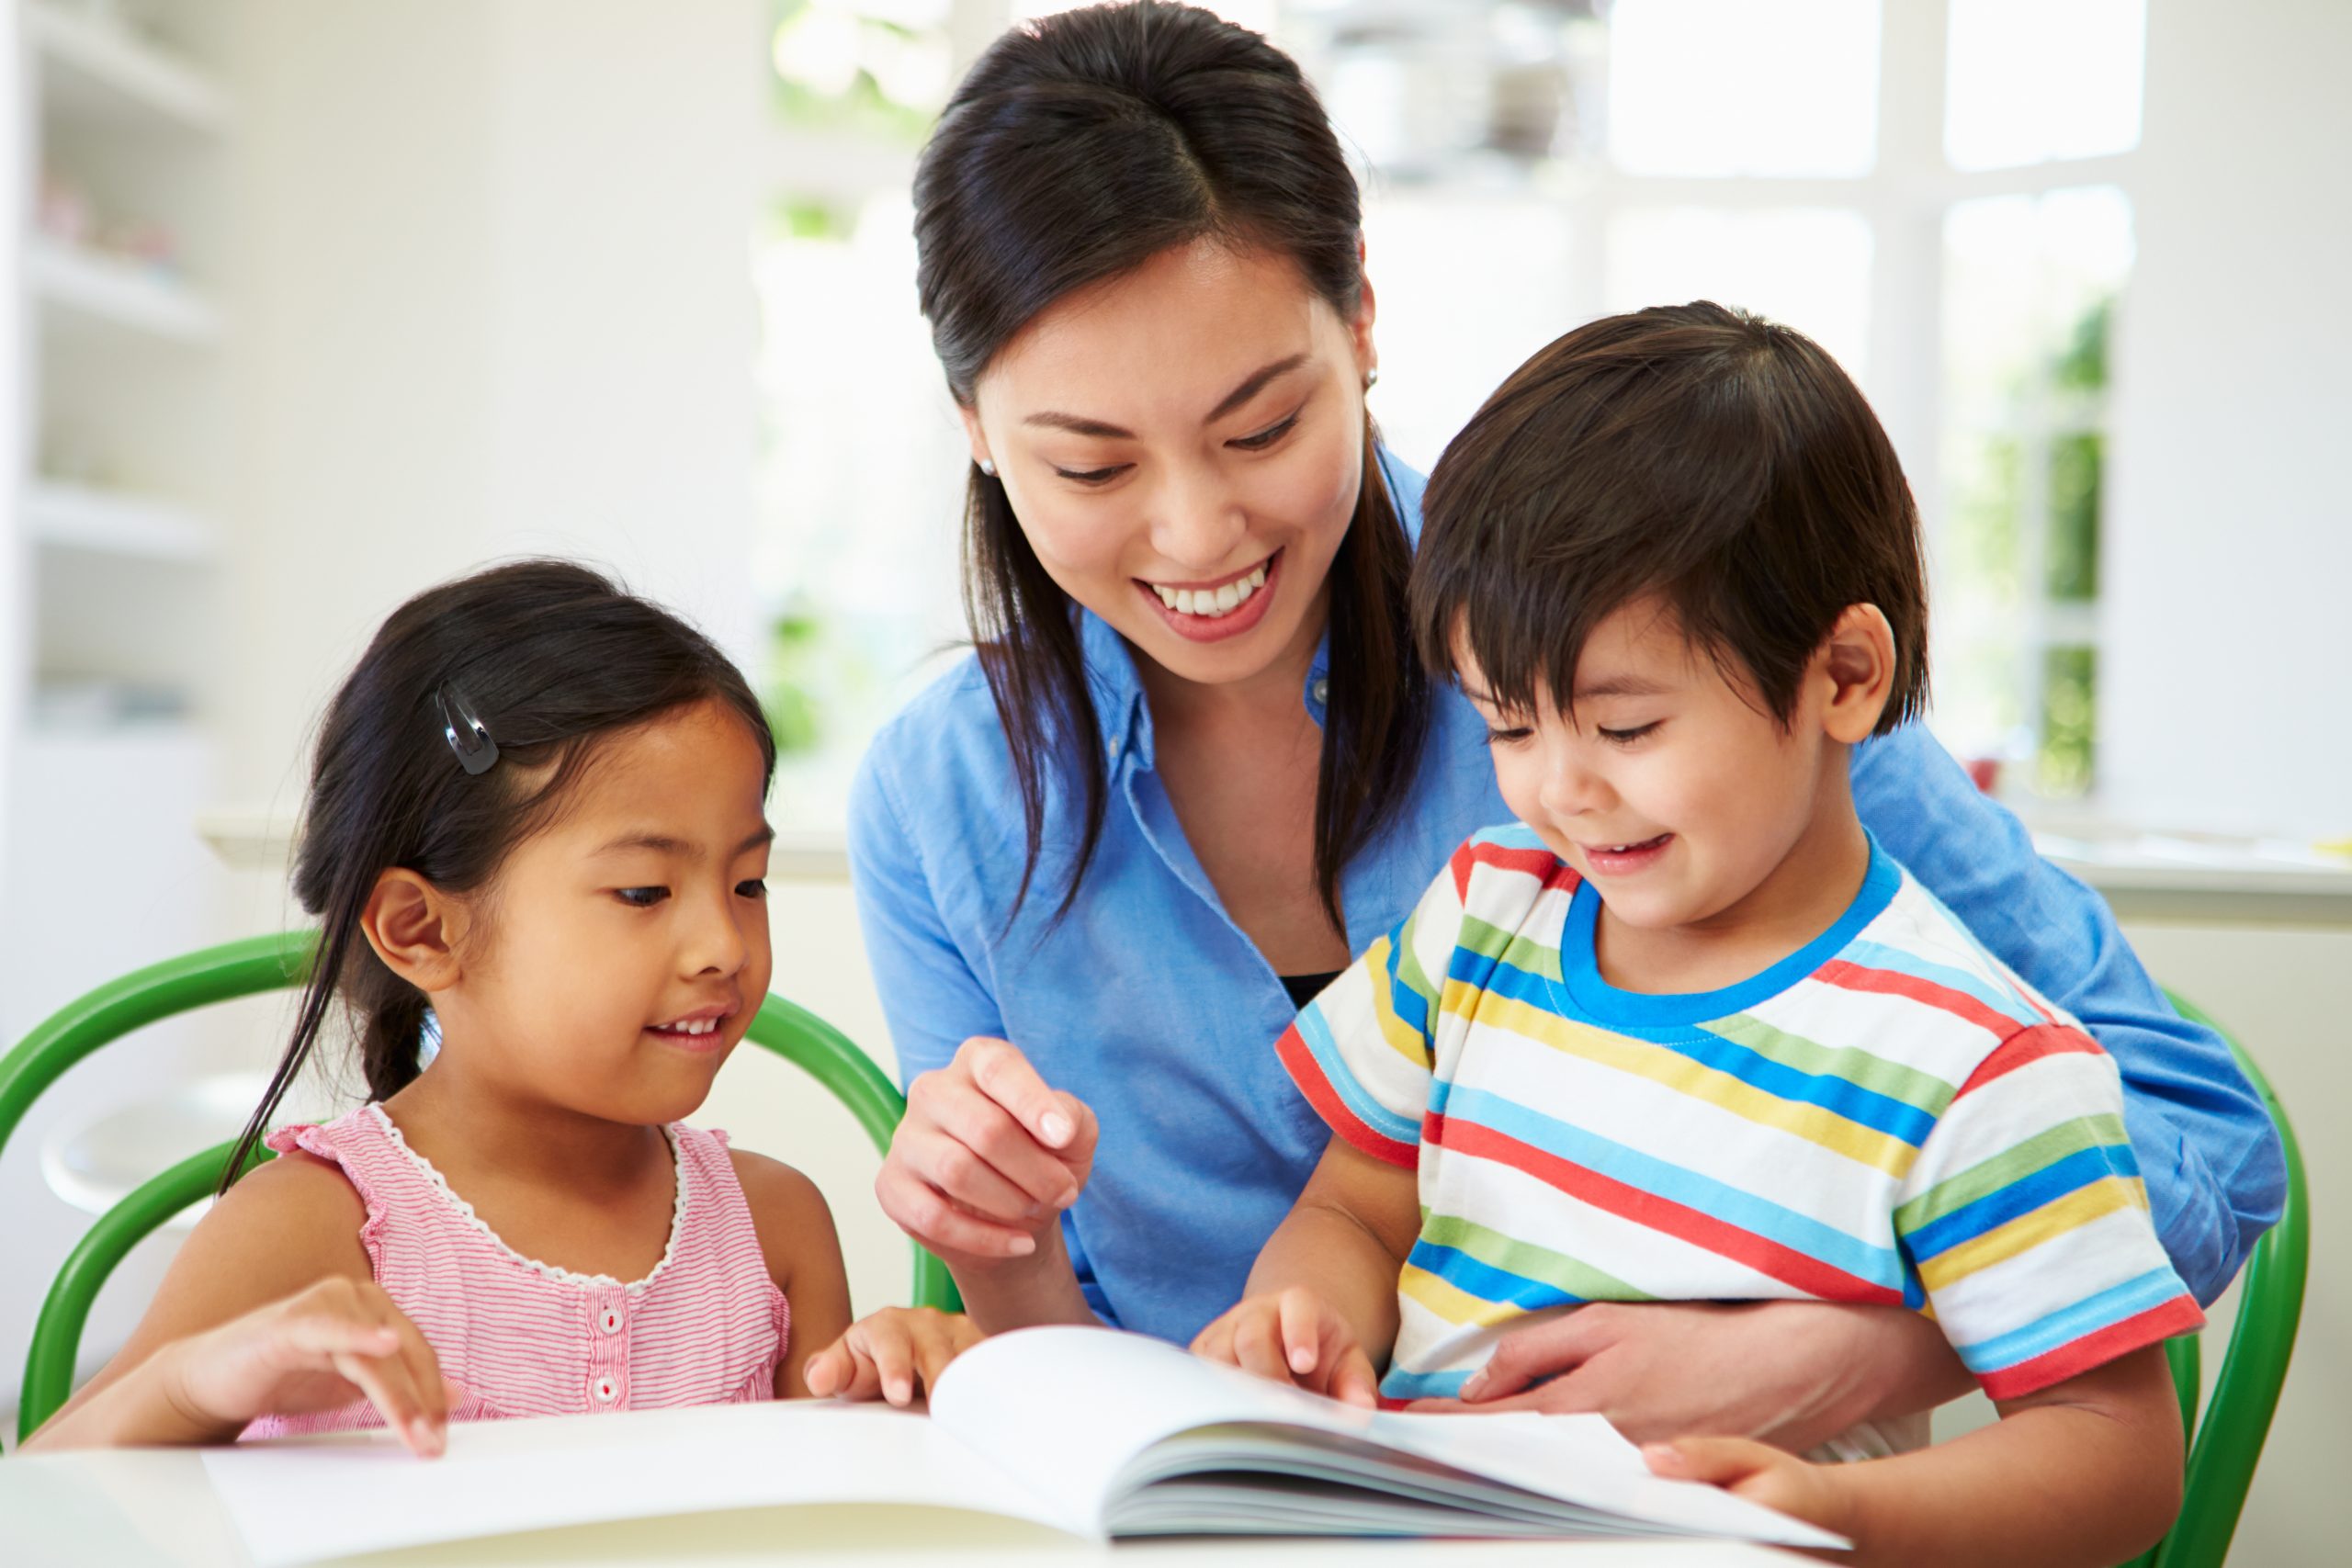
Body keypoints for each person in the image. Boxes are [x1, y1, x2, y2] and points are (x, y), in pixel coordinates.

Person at [850, 0, 2279, 1449]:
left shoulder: (1659, 628)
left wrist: (1856, 1349)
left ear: (1361, 320)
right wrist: (989, 1236)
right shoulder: (941, 799)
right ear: (975, 423)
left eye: (1263, 428)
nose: (1197, 530)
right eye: (1093, 467)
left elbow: (2204, 1138)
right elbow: (1075, 1354)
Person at [1194, 303, 2197, 1567]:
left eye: (1625, 728)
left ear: (1844, 676)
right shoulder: (1484, 915)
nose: (1562, 789)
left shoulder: (1975, 1062)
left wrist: (1842, 1512)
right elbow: (1354, 1208)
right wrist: (1304, 1318)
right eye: (1508, 726)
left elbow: (2116, 1453)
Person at [26, 562, 974, 1456]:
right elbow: (40, 1499)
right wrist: (191, 1387)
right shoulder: (308, 1231)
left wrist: (902, 1404)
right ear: (421, 929)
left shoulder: (775, 1228)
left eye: (748, 884)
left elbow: (816, 1520)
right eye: (644, 892)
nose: (723, 945)